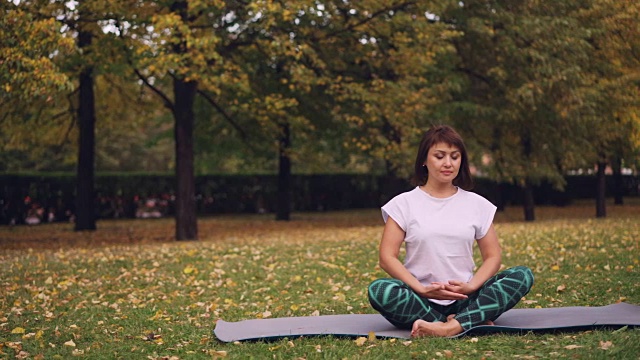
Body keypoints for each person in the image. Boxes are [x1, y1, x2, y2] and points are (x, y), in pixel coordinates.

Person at [367, 125, 534, 337]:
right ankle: (469, 320)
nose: (448, 163)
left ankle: (450, 326)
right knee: (379, 290)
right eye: (439, 156)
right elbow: (386, 257)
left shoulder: (477, 204)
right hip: (420, 299)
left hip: (466, 299)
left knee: (522, 275)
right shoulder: (403, 204)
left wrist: (471, 287)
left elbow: (493, 257)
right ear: (424, 161)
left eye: (455, 157)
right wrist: (420, 288)